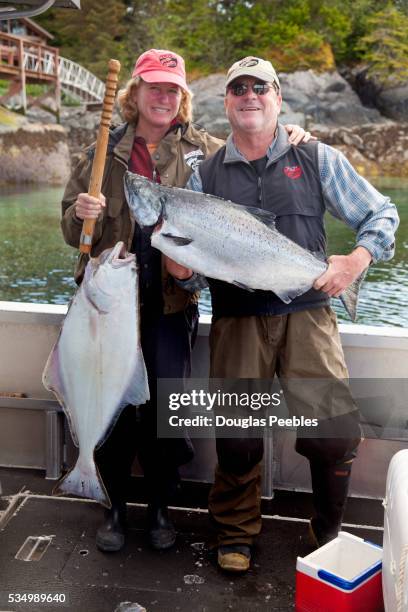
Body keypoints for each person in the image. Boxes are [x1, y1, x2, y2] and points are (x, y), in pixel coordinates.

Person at [60, 49, 310, 554]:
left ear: (184, 98)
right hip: (106, 305)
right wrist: (80, 211)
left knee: (161, 412)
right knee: (113, 413)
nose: (163, 97)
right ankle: (112, 506)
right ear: (135, 93)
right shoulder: (100, 153)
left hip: (171, 306)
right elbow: (70, 230)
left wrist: (298, 138)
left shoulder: (207, 150)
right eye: (153, 87)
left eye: (172, 89)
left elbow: (258, 148)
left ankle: (158, 508)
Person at [187, 56, 399, 573]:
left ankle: (327, 528)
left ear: (279, 98)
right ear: (226, 102)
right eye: (238, 87)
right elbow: (191, 272)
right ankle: (234, 532)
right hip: (237, 320)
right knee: (236, 439)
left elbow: (381, 214)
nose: (249, 95)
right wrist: (178, 268)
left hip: (309, 315)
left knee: (333, 434)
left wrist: (354, 261)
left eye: (261, 86)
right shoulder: (203, 175)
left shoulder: (318, 158)